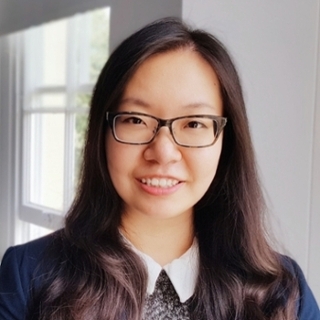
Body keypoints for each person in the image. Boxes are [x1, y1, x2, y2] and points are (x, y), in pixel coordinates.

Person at [0, 17, 319, 320]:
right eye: (136, 120)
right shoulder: (28, 275)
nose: (163, 152)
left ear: (226, 141)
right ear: (102, 132)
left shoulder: (283, 292)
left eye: (194, 123)